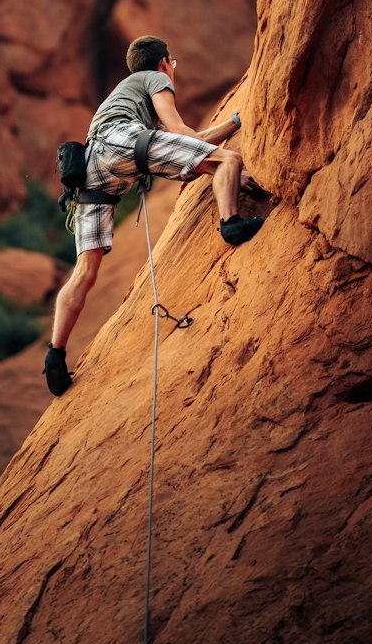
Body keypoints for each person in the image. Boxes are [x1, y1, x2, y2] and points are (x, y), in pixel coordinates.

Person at [44, 35, 263, 396]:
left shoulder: (123, 96)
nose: (171, 71)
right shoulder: (155, 79)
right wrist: (231, 166)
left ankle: (55, 355)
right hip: (126, 143)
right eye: (171, 64)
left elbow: (184, 144)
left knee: (86, 271)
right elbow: (179, 131)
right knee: (228, 160)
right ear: (163, 63)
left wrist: (235, 121)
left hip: (94, 168)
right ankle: (231, 224)